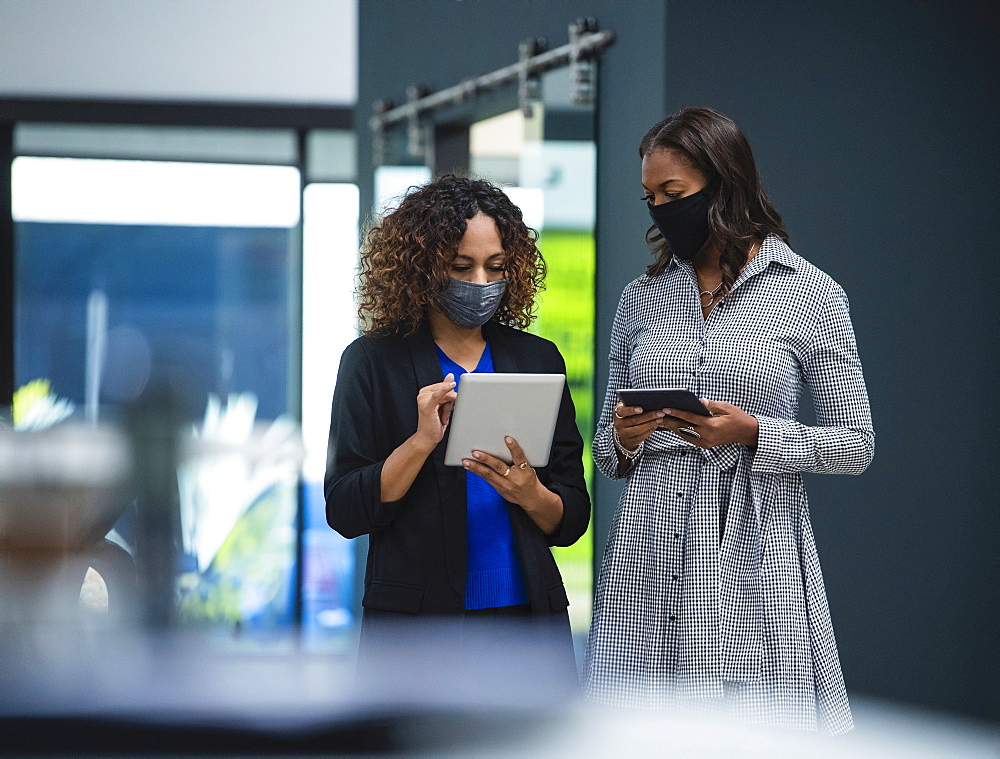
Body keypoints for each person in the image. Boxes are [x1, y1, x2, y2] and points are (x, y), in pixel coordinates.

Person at [584, 107, 874, 735]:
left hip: (755, 553)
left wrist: (754, 432)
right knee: (634, 733)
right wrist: (625, 437)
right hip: (648, 553)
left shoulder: (810, 294)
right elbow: (605, 452)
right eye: (650, 197)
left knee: (753, 733)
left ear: (724, 184)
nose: (660, 209)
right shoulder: (642, 297)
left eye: (674, 193)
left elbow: (854, 444)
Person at [325, 174, 590, 688]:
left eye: (495, 267)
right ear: (422, 267)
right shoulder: (371, 363)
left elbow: (572, 516)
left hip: (527, 624)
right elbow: (345, 510)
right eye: (460, 267)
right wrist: (422, 442)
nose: (479, 283)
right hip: (415, 633)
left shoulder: (536, 359)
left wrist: (531, 494)